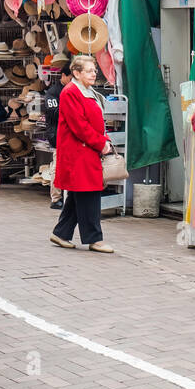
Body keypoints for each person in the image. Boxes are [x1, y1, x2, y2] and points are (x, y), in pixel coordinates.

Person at [50, 54, 114, 253]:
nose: (94, 73)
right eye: (89, 70)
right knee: (88, 194)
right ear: (76, 73)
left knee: (79, 194)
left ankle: (61, 233)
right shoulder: (71, 92)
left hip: (85, 150)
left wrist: (104, 140)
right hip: (78, 152)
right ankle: (94, 239)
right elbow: (79, 125)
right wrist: (101, 143)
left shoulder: (86, 90)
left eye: (94, 70)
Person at [43, 65, 73, 210]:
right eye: (71, 78)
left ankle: (67, 196)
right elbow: (54, 113)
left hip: (69, 132)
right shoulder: (53, 92)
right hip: (57, 134)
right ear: (64, 76)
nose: (73, 81)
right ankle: (56, 198)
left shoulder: (73, 90)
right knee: (57, 164)